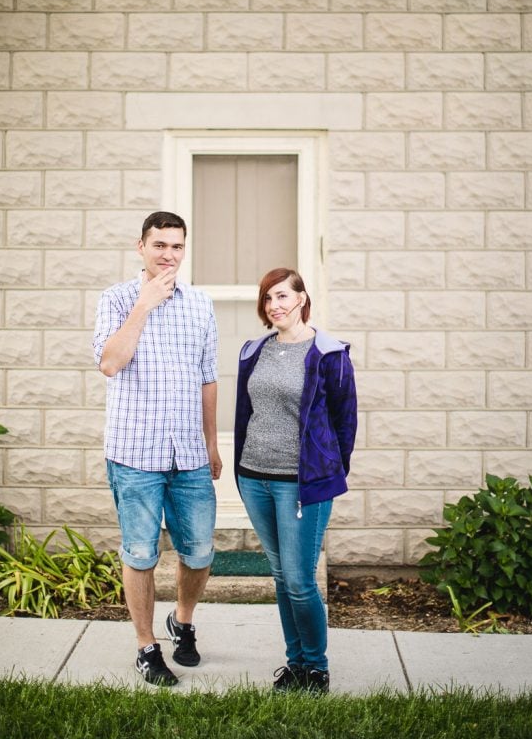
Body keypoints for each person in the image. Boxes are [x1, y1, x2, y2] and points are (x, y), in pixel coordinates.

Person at [93, 210, 222, 686]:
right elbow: (110, 363)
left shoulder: (201, 304)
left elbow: (208, 377)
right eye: (160, 245)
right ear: (141, 247)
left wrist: (211, 443)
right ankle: (146, 647)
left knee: (201, 550)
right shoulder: (117, 299)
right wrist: (143, 305)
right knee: (141, 554)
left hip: (188, 453)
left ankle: (182, 622)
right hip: (135, 455)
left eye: (177, 246)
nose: (169, 254)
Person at [234, 267, 357, 695]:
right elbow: (245, 413)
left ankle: (316, 668)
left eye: (283, 296)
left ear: (302, 299)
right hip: (254, 477)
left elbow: (345, 422)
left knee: (301, 579)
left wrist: (326, 470)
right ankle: (295, 665)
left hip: (301, 484)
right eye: (268, 299)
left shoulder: (329, 353)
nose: (275, 306)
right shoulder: (254, 351)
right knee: (281, 576)